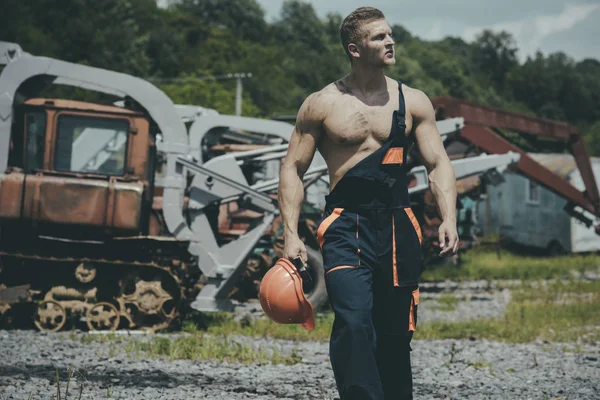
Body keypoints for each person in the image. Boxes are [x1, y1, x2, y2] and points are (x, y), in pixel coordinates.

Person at [278, 6, 459, 400]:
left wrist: (449, 218)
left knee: (396, 331)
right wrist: (290, 234)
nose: (390, 41)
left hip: (398, 223)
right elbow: (292, 168)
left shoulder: (413, 101)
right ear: (354, 49)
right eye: (379, 37)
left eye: (390, 34)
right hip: (345, 224)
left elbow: (438, 162)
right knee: (355, 321)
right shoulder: (322, 103)